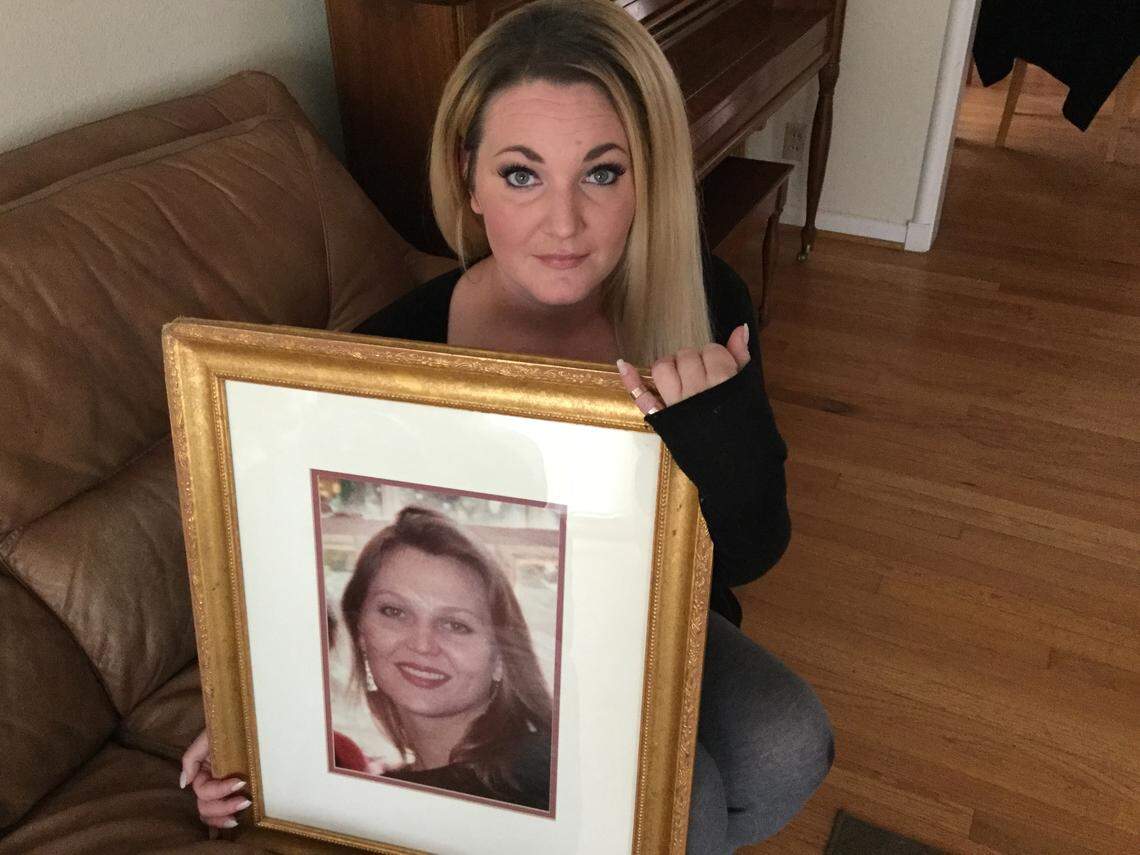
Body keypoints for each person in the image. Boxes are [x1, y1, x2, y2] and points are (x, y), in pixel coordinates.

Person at [181, 0, 834, 849]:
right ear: (470, 177)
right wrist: (243, 712)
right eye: (522, 174)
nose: (563, 223)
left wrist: (714, 424)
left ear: (650, 179)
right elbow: (302, 555)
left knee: (788, 743)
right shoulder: (389, 356)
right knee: (688, 800)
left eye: (603, 172)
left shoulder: (701, 304)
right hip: (490, 658)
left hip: (645, 614)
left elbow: (751, 552)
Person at [334, 505, 553, 810]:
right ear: (360, 632)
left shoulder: (537, 782)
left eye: (456, 625)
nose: (422, 645)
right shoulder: (376, 792)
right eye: (394, 612)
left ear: (500, 656)